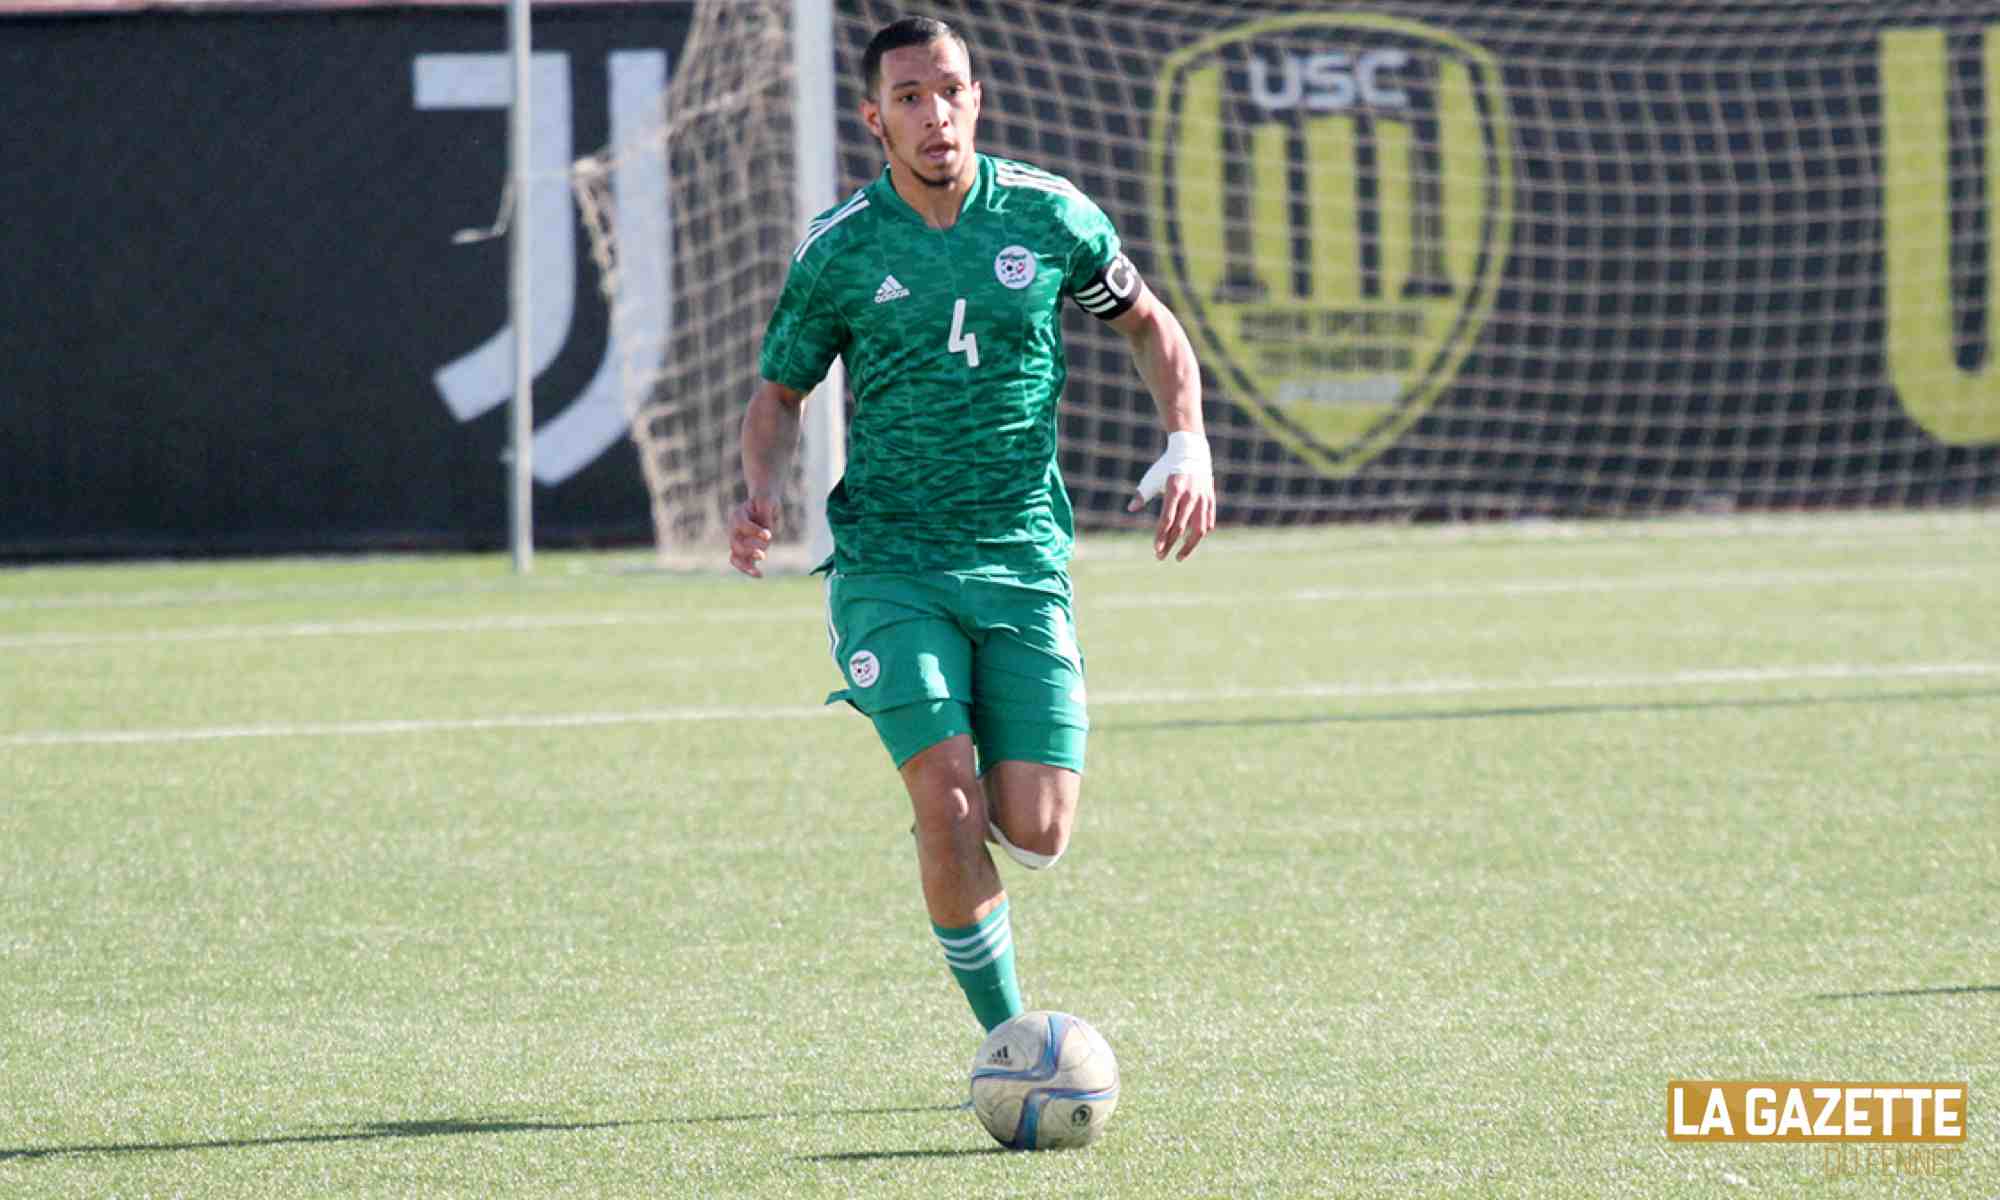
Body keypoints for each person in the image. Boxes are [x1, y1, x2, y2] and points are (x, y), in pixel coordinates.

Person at [729, 15, 1215, 1042]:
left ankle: (956, 815)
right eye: (908, 97)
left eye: (949, 91)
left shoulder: (1048, 215)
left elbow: (1148, 325)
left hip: (1020, 557)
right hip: (890, 564)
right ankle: (1010, 1039)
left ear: (976, 99)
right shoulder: (840, 249)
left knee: (1036, 831)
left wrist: (1187, 443)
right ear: (875, 119)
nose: (934, 114)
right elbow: (778, 394)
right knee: (947, 802)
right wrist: (760, 489)